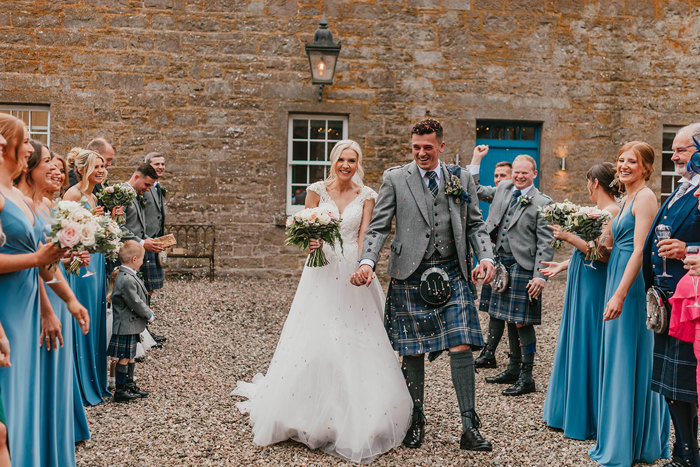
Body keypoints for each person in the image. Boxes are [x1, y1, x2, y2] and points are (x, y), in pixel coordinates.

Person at [234, 140, 413, 463]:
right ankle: (304, 410)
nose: (346, 165)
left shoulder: (367, 195)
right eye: (342, 159)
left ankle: (359, 412)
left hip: (352, 269)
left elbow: (365, 234)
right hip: (321, 268)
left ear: (357, 163)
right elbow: (304, 229)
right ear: (334, 161)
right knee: (316, 334)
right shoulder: (317, 189)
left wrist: (363, 265)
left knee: (356, 334)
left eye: (352, 160)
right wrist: (311, 241)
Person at [352, 119, 495, 452]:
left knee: (462, 344)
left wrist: (486, 258)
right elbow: (378, 227)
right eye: (416, 147)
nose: (421, 153)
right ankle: (415, 420)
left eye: (427, 148)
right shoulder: (395, 178)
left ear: (441, 147)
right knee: (412, 349)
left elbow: (475, 225)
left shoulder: (460, 178)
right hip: (410, 274)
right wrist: (367, 262)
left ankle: (469, 427)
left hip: (453, 271)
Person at [589, 141, 670, 466]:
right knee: (616, 358)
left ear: (646, 167)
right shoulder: (626, 198)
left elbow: (639, 251)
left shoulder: (647, 197)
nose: (623, 166)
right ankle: (617, 437)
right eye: (620, 160)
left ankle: (632, 443)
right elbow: (611, 244)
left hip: (631, 285)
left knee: (627, 359)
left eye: (631, 161)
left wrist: (620, 295)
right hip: (616, 276)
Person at [17, 140, 92, 462]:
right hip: (29, 297)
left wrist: (71, 297)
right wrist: (49, 307)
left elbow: (48, 262)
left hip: (51, 289)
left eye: (56, 163)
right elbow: (37, 262)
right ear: (27, 166)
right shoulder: (22, 204)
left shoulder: (46, 206)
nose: (55, 169)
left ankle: (50, 443)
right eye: (47, 161)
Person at [0, 113, 66, 465]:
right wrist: (37, 258)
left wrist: (49, 307)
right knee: (6, 399)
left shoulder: (16, 195)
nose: (30, 148)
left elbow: (40, 260)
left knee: (23, 391)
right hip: (5, 303)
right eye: (25, 141)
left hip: (27, 300)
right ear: (3, 145)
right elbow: (30, 257)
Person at [540, 163, 620, 440]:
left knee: (587, 340)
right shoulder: (601, 212)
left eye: (588, 182)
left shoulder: (611, 212)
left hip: (593, 284)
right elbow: (588, 251)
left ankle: (585, 415)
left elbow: (603, 254)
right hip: (582, 277)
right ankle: (570, 409)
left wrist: (567, 236)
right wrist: (563, 265)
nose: (587, 187)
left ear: (595, 183)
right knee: (575, 338)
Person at [468, 151, 554, 396]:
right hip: (501, 263)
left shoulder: (542, 202)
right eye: (516, 171)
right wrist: (476, 161)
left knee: (522, 322)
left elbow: (545, 243)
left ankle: (527, 376)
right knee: (507, 319)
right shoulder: (504, 188)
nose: (519, 176)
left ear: (534, 174)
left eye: (525, 172)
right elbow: (474, 189)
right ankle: (513, 369)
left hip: (524, 268)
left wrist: (540, 275)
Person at [642, 123, 700, 467]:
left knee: (685, 387)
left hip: (689, 302)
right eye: (674, 150)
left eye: (681, 150)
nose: (673, 156)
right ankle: (682, 449)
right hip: (667, 299)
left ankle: (690, 456)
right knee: (671, 388)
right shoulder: (683, 188)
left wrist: (689, 248)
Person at [64, 148, 113, 406]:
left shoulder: (94, 197)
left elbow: (95, 232)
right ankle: (80, 383)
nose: (101, 170)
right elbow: (65, 236)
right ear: (82, 170)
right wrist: (89, 225)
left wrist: (108, 223)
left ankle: (94, 380)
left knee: (95, 317)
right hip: (80, 263)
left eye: (103, 166)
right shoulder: (72, 194)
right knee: (82, 316)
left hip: (96, 260)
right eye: (97, 166)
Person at [469, 146, 514, 369]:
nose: (498, 180)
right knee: (494, 309)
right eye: (496, 176)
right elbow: (474, 188)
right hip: (495, 259)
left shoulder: (520, 197)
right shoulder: (496, 194)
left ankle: (515, 360)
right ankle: (490, 352)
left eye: (502, 176)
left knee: (510, 313)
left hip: (514, 262)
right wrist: (477, 158)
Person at [107, 240, 153, 402]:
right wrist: (149, 314)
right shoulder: (126, 279)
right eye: (141, 259)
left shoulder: (129, 275)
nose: (142, 262)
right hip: (126, 324)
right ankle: (120, 390)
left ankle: (129, 384)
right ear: (134, 259)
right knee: (124, 357)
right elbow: (135, 301)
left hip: (131, 324)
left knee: (131, 354)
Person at [141, 153, 167, 343]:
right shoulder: (144, 187)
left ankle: (146, 331)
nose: (160, 167)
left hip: (156, 242)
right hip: (145, 242)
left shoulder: (158, 187)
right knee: (144, 287)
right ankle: (143, 331)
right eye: (156, 163)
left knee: (150, 289)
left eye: (162, 164)